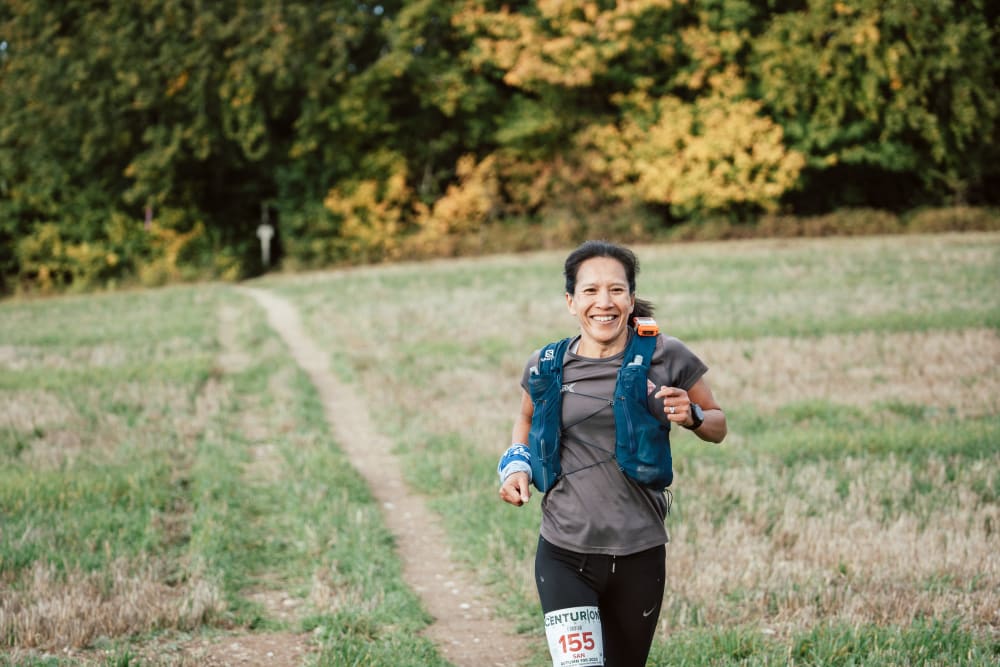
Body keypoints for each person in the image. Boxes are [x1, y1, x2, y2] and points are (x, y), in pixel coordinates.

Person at [497, 240, 727, 667]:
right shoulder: (545, 363)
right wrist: (515, 467)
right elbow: (525, 420)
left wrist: (693, 416)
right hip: (564, 551)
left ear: (631, 299)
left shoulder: (667, 355)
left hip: (640, 552)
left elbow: (718, 424)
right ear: (571, 301)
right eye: (590, 290)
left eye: (616, 290)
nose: (604, 302)